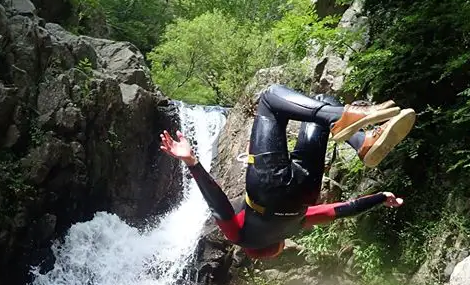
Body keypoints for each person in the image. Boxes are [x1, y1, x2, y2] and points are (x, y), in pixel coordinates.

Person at [160, 84, 416, 260]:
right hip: (266, 186)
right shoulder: (240, 236)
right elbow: (219, 206)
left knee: (323, 105)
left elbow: (339, 210)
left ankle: (362, 142)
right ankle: (351, 128)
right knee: (271, 98)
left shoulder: (294, 225)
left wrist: (381, 197)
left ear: (278, 245)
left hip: (305, 191)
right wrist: (192, 162)